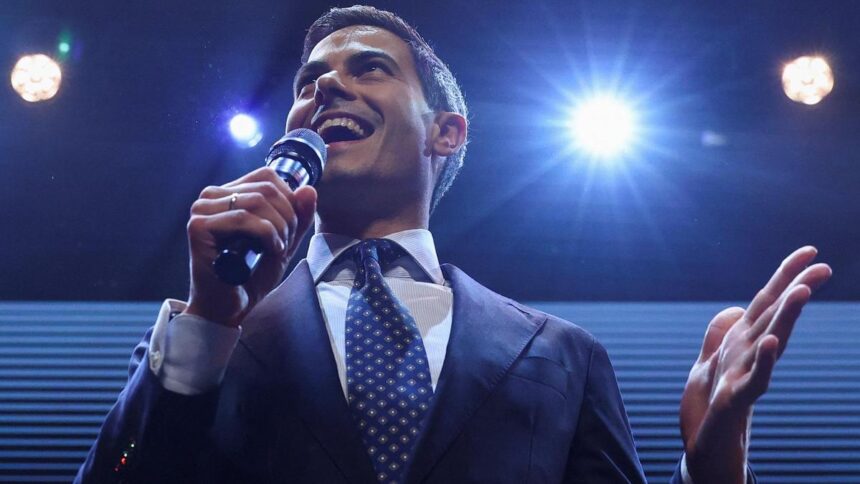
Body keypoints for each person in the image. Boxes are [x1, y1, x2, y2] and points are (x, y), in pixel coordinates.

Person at [76, 5, 832, 483]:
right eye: (307, 82)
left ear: (446, 132)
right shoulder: (205, 339)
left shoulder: (562, 356)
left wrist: (712, 467)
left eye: (369, 68)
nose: (323, 88)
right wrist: (210, 321)